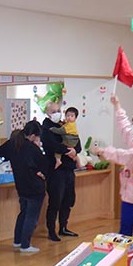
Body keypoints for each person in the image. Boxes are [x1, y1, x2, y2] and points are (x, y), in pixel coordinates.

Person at [92, 94, 133, 246]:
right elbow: (124, 126)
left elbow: (129, 156)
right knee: (125, 229)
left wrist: (106, 151)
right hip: (129, 194)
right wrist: (117, 104)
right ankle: (123, 256)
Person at [0, 120, 50, 254]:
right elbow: (45, 167)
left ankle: (17, 241)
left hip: (21, 186)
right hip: (35, 187)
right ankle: (25, 245)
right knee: (31, 216)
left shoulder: (13, 143)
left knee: (23, 213)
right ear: (32, 135)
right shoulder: (33, 148)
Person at [41, 102, 80, 241]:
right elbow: (51, 145)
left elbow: (77, 141)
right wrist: (67, 151)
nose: (57, 113)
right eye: (54, 111)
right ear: (47, 113)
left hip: (69, 169)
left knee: (68, 200)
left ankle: (63, 227)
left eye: (59, 110)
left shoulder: (64, 124)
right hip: (55, 171)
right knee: (55, 201)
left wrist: (75, 150)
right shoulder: (45, 128)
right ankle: (52, 230)